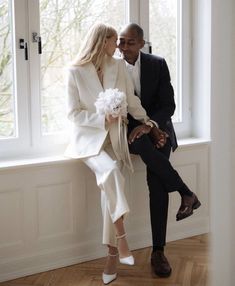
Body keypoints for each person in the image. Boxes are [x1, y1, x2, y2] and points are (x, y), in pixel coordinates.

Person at [65, 23, 154, 284]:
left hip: (114, 140)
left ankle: (112, 255)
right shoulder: (75, 71)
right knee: (111, 173)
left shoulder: (117, 67)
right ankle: (122, 238)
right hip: (88, 140)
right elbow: (73, 113)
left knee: (109, 190)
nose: (117, 47)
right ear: (101, 41)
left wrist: (149, 122)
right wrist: (102, 118)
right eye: (114, 41)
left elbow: (130, 99)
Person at [118, 23, 201, 278]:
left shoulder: (158, 63)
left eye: (130, 42)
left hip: (160, 130)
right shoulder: (112, 67)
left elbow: (169, 105)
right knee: (142, 141)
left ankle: (158, 252)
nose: (123, 47)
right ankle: (187, 193)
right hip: (131, 132)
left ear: (142, 43)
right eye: (121, 41)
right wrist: (144, 129)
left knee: (157, 181)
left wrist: (152, 126)